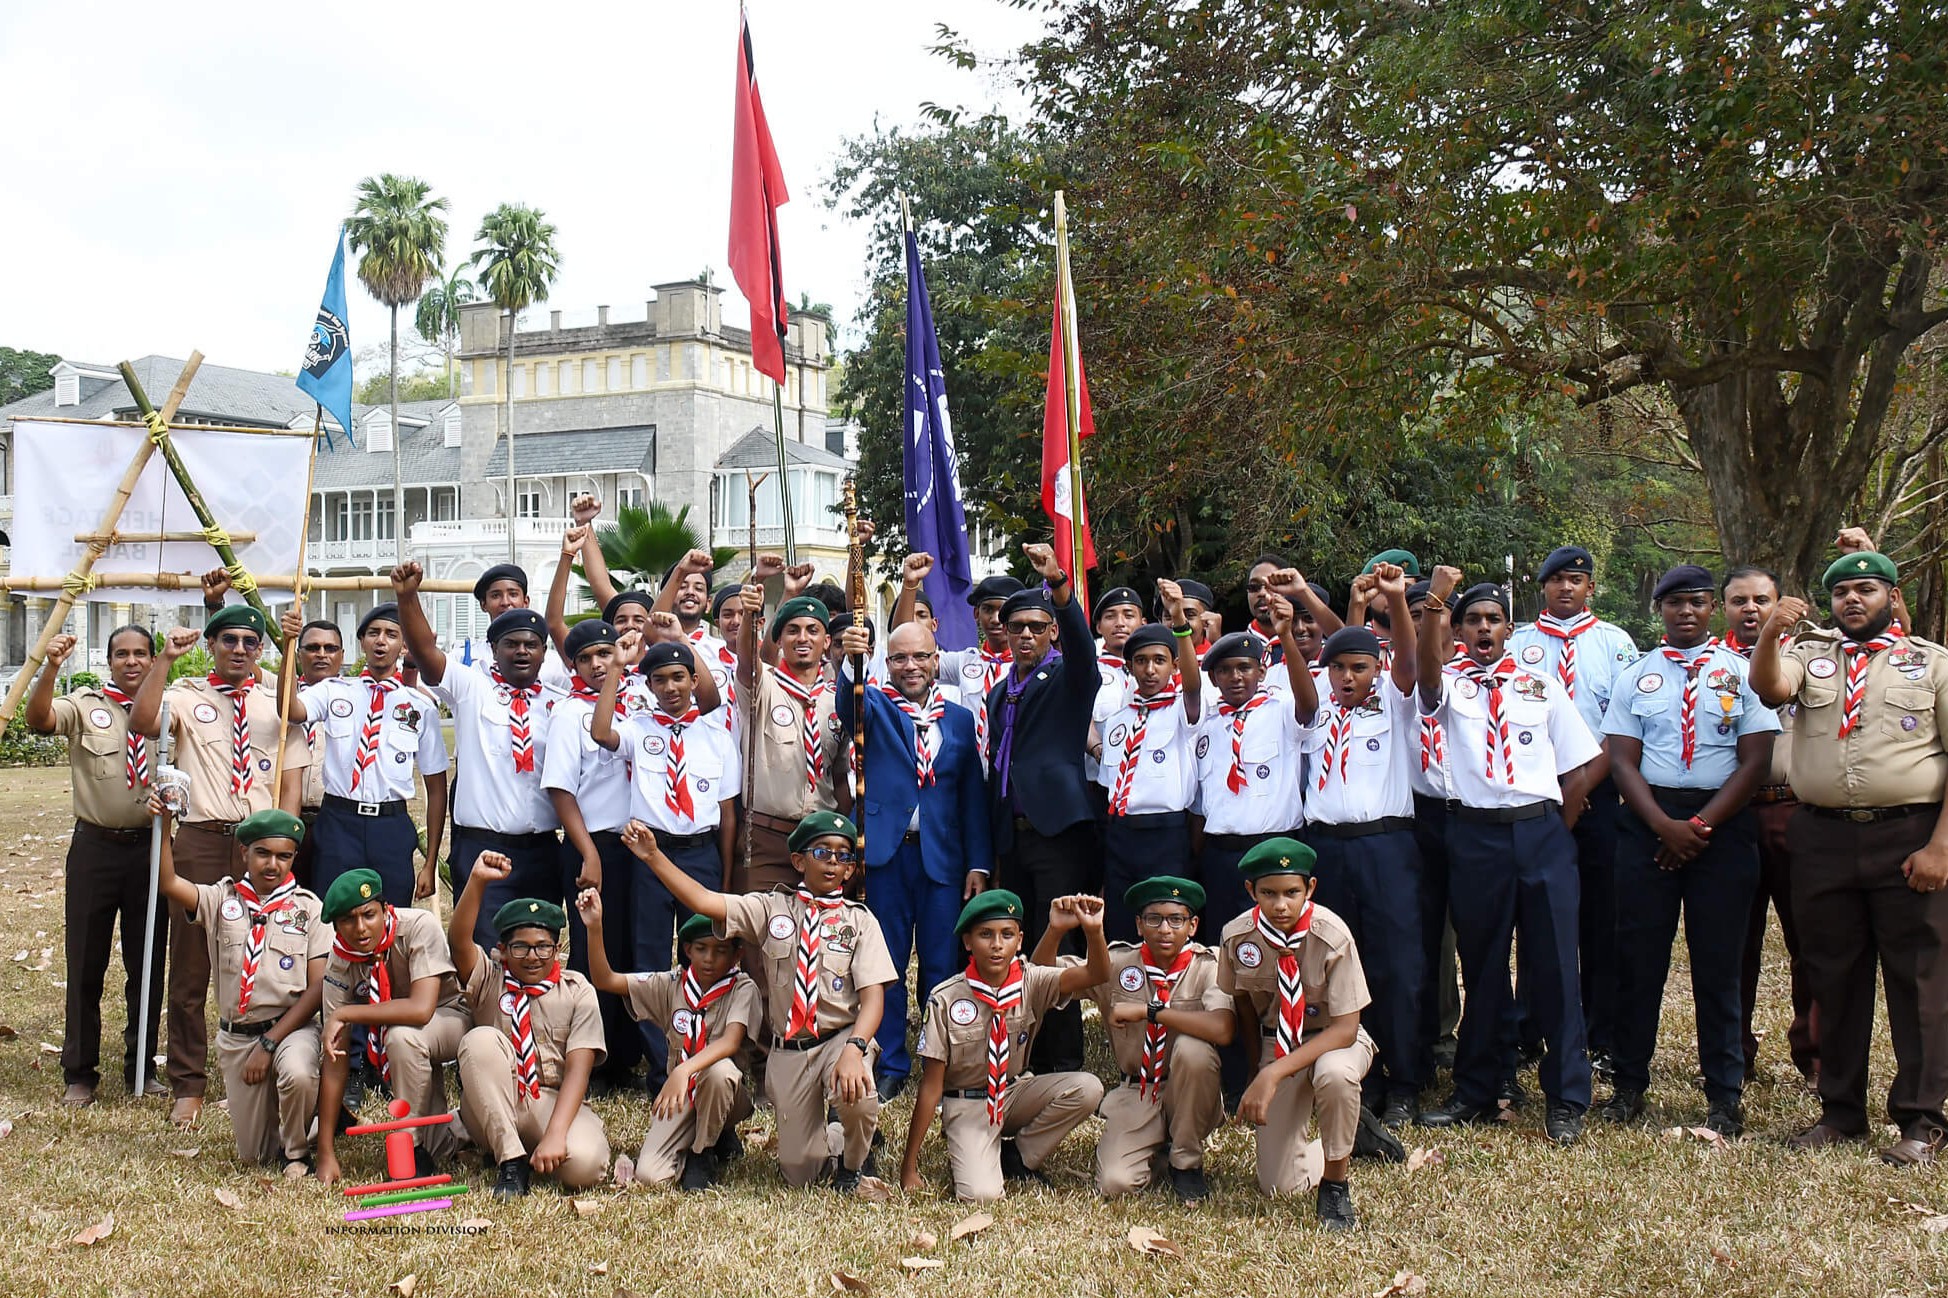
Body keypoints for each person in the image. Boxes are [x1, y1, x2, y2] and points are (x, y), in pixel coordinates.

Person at [1749, 550, 1948, 1166]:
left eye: (1866, 590)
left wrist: (1941, 846)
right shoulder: (1812, 655)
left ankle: (1923, 1118)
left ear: (1890, 595)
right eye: (1842, 593)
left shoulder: (1932, 663)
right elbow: (1769, 686)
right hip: (1824, 837)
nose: (1852, 601)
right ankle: (1840, 1112)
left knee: (1920, 982)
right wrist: (1771, 633)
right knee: (1830, 974)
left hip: (1909, 834)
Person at [1414, 570, 1604, 1144]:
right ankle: (1478, 1087)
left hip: (1540, 832)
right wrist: (1435, 606)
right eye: (1472, 620)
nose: (1483, 629)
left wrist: (1556, 824)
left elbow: (1584, 763)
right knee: (1483, 964)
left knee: (1553, 966)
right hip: (1476, 837)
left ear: (1509, 629)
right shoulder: (1448, 684)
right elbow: (1423, 680)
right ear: (1459, 630)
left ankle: (1567, 1095)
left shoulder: (1541, 686)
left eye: (1493, 620)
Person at [623, 810, 894, 1189]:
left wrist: (855, 1047)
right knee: (801, 1173)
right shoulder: (770, 910)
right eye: (822, 852)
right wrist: (653, 856)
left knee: (857, 1089)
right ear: (798, 861)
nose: (833, 862)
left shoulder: (861, 922)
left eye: (842, 855)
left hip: (840, 1040)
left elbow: (874, 999)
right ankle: (836, 1135)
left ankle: (853, 1163)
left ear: (850, 870)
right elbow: (704, 901)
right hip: (791, 1051)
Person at [1601, 565, 1778, 1137]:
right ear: (1659, 610)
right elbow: (1622, 759)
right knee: (1638, 961)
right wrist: (1663, 826)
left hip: (1722, 827)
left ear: (1711, 610)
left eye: (1697, 603)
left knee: (1719, 965)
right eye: (1674, 603)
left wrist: (1697, 827)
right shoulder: (1636, 675)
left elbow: (1755, 763)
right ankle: (1629, 1084)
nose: (1686, 612)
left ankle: (1724, 1094)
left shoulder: (1744, 673)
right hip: (1648, 823)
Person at [131, 606, 308, 1128]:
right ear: (212, 644)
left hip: (260, 844)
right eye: (228, 639)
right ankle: (187, 1082)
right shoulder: (187, 696)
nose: (239, 649)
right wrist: (165, 658)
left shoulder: (277, 701)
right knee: (190, 964)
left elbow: (293, 780)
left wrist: (284, 839)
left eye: (251, 642)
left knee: (267, 958)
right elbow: (143, 722)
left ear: (261, 650)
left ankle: (262, 1060)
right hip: (203, 839)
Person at [833, 618, 992, 1101]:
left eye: (920, 657)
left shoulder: (959, 719)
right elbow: (847, 702)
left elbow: (972, 798)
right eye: (899, 658)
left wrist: (978, 864)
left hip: (943, 859)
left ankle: (939, 1057)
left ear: (935, 658)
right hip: (887, 856)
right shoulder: (876, 705)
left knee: (943, 964)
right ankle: (891, 1060)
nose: (910, 667)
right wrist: (852, 658)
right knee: (888, 963)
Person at [1300, 561, 1424, 1134]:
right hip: (1327, 848)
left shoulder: (1397, 705)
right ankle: (1356, 1074)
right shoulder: (1314, 711)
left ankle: (1404, 1082)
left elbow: (1409, 660)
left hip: (1385, 847)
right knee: (1334, 967)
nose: (1348, 677)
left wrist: (1397, 602)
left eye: (1360, 667)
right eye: (1339, 668)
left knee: (1395, 964)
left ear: (1378, 670)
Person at [1508, 544, 1639, 1074]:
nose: (1567, 589)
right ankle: (1528, 1027)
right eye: (1557, 580)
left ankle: (1598, 1032)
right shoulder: (1517, 643)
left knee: (1599, 918)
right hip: (1535, 792)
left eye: (1577, 580)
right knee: (1534, 913)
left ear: (1590, 588)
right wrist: (1561, 792)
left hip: (1599, 792)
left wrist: (1583, 786)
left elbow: (1621, 725)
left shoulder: (1616, 644)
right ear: (1542, 586)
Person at [589, 638, 742, 1079]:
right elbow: (602, 733)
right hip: (650, 856)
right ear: (649, 685)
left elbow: (727, 813)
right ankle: (662, 1064)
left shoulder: (716, 736)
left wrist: (725, 878)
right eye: (660, 680)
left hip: (700, 854)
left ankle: (706, 1053)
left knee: (707, 953)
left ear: (694, 681)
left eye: (679, 678)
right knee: (651, 958)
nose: (671, 687)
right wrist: (617, 666)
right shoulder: (638, 728)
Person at [26, 628, 167, 1106]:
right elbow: (40, 718)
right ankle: (80, 1072)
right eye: (121, 654)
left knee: (146, 964)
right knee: (86, 961)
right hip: (95, 849)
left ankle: (141, 1068)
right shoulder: (85, 705)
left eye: (140, 654)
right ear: (108, 660)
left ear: (152, 659)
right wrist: (51, 667)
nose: (131, 662)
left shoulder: (171, 706)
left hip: (150, 851)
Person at [393, 561, 565, 949]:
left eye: (531, 644)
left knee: (537, 951)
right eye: (511, 644)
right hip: (483, 849)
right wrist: (407, 597)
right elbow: (425, 652)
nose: (522, 652)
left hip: (542, 851)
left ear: (543, 651)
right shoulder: (472, 688)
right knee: (483, 952)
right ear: (494, 650)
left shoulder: (560, 703)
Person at [899, 890, 1108, 1201]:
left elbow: (1097, 974)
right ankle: (975, 1145)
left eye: (1006, 934)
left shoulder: (1029, 981)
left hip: (1013, 1092)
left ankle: (1019, 1154)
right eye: (986, 935)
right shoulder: (946, 998)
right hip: (968, 1104)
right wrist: (909, 1166)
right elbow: (931, 1086)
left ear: (1019, 940)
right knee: (981, 1195)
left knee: (1087, 1087)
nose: (997, 945)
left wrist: (1092, 931)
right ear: (968, 942)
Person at [152, 804, 326, 1174]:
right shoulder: (222, 900)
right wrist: (165, 823)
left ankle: (296, 1150)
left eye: (284, 856)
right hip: (238, 1038)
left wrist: (269, 1044)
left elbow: (316, 992)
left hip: (290, 1028)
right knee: (254, 1156)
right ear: (243, 852)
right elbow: (168, 882)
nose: (272, 865)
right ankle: (315, 1118)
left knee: (296, 1072)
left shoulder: (309, 909)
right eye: (262, 853)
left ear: (295, 857)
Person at [1217, 839, 1373, 1229]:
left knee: (1334, 1075)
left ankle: (1336, 1185)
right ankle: (1352, 1135)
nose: (1281, 905)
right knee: (1278, 1185)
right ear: (1251, 891)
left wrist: (1273, 1073)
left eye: (1292, 893)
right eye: (1268, 893)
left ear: (1311, 889)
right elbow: (1244, 1007)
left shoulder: (1331, 934)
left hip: (1334, 1039)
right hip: (1277, 1040)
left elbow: (1346, 1028)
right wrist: (1258, 1067)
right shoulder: (1237, 937)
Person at [985, 543, 1099, 1075]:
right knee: (1024, 947)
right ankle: (1027, 1053)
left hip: (1058, 833)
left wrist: (1059, 587)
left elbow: (1085, 656)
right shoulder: (999, 692)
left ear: (1052, 631)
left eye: (1037, 626)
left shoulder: (1069, 679)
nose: (1026, 635)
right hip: (1014, 834)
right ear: (1004, 635)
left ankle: (1066, 1060)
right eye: (1017, 627)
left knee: (1061, 943)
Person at [1049, 877, 1232, 1201]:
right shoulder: (1117, 962)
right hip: (1138, 1089)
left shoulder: (1208, 966)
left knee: (1194, 1050)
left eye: (1176, 920)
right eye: (1154, 919)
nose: (1165, 929)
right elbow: (1042, 981)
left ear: (1192, 926)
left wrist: (1149, 1012)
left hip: (1188, 1091)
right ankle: (1159, 1146)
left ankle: (1186, 1162)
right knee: (1115, 1184)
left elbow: (1222, 1029)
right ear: (1138, 924)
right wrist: (1056, 931)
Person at [449, 859, 611, 1197]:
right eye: (520, 947)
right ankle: (511, 1160)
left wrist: (555, 1134)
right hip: (494, 1101)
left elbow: (579, 1071)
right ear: (504, 951)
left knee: (586, 1166)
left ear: (558, 949)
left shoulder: (577, 989)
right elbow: (459, 940)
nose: (532, 957)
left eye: (543, 946)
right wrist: (477, 880)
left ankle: (525, 1147)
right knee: (480, 1040)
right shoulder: (490, 979)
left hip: (550, 1100)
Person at [544, 619, 654, 1093]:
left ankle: (634, 1053)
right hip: (598, 844)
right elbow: (562, 790)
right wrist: (588, 852)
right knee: (596, 953)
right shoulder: (569, 714)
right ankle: (597, 1058)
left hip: (643, 844)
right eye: (585, 658)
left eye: (604, 654)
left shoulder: (645, 701)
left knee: (637, 950)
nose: (596, 664)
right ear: (573, 664)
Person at [579, 903, 760, 1191]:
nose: (709, 959)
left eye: (720, 950)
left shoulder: (743, 988)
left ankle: (703, 1151)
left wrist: (683, 1070)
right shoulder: (671, 985)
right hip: (684, 1095)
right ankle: (708, 1132)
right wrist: (594, 928)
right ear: (687, 950)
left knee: (718, 1072)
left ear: (737, 955)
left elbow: (731, 1041)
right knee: (652, 1176)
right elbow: (606, 979)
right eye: (701, 949)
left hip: (725, 1092)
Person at [275, 605, 447, 904]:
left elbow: (436, 788)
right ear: (361, 642)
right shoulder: (334, 691)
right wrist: (289, 648)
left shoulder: (420, 707)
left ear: (403, 645)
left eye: (391, 634)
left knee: (391, 917)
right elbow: (290, 710)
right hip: (339, 823)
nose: (381, 641)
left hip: (391, 826)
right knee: (331, 914)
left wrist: (430, 863)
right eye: (373, 633)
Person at [1722, 563, 1819, 1083]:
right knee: (1735, 942)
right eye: (1740, 600)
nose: (1751, 609)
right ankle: (1732, 1053)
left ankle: (1816, 1054)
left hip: (1793, 808)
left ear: (1779, 603)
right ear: (1725, 608)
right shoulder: (1708, 664)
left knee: (1812, 939)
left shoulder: (1810, 658)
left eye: (1762, 599)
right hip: (1731, 812)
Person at [313, 869, 471, 1185]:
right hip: (411, 1040)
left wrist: (347, 1014)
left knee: (400, 1036)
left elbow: (421, 1009)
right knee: (440, 1145)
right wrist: (325, 1152)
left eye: (369, 914)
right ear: (335, 927)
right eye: (347, 920)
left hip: (452, 1019)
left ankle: (409, 1146)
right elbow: (335, 1063)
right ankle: (457, 1131)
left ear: (385, 909)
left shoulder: (417, 926)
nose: (360, 928)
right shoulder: (340, 961)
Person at [1192, 595, 1316, 934]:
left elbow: (1309, 705)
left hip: (1274, 848)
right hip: (1221, 852)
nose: (1235, 677)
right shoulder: (1206, 723)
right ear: (1214, 678)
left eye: (1244, 667)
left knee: (1279, 942)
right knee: (1227, 943)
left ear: (1261, 671)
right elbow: (1200, 803)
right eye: (1224, 671)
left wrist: (1286, 636)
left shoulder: (1282, 709)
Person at [1090, 590, 1204, 937]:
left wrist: (1180, 624)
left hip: (1165, 833)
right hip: (1121, 831)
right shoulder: (1121, 717)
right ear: (1130, 666)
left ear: (1174, 665)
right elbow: (1110, 777)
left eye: (1159, 660)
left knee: (1163, 919)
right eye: (1141, 661)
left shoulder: (1183, 709)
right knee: (1123, 922)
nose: (1150, 669)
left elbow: (1194, 685)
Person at [735, 560, 844, 892]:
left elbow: (838, 776)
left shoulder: (837, 699)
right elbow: (747, 659)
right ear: (779, 639)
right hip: (767, 838)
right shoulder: (764, 687)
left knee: (817, 938)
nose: (803, 638)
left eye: (813, 630)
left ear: (826, 641)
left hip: (821, 840)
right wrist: (749, 617)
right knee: (766, 937)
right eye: (792, 630)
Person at [288, 619, 345, 889]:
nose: (321, 654)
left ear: (342, 655)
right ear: (299, 653)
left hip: (334, 821)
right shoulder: (278, 694)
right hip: (289, 819)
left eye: (330, 648)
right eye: (312, 647)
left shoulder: (359, 698)